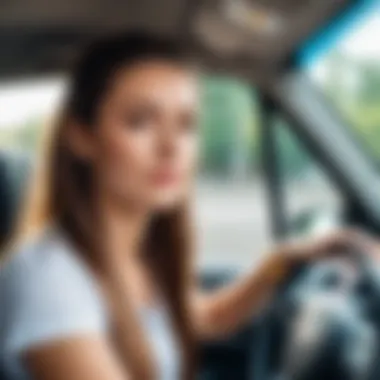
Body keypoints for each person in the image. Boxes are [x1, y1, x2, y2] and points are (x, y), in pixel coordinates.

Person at [0, 31, 376, 380]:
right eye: (140, 122)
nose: (171, 148)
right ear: (82, 138)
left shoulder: (137, 257)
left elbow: (204, 317)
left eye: (186, 124)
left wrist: (287, 258)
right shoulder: (47, 276)